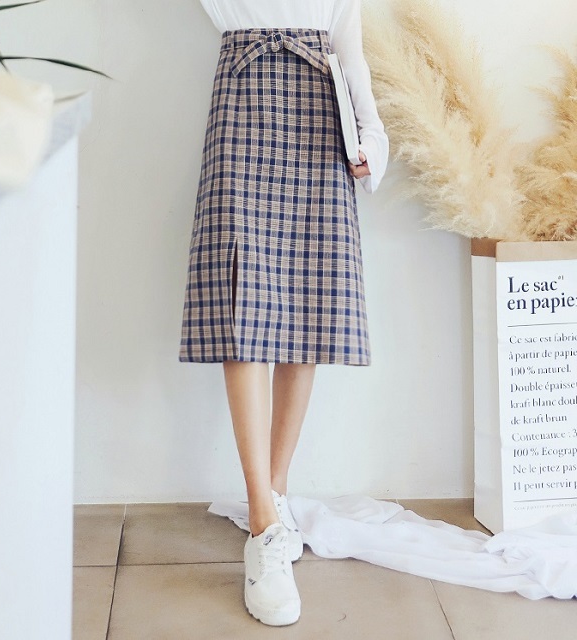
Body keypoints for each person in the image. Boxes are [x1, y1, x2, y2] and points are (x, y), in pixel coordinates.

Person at [179, 0, 389, 627]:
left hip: (322, 109)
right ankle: (263, 524)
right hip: (242, 96)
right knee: (241, 305)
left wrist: (373, 135)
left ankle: (272, 497)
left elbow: (349, 44)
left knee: (308, 301)